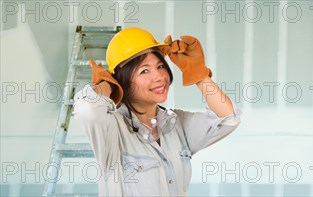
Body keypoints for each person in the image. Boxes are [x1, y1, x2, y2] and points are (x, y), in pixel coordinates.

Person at [73, 27, 241, 196]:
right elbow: (87, 109)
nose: (159, 77)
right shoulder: (112, 128)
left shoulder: (177, 124)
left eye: (160, 66)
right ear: (122, 79)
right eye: (144, 71)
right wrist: (107, 85)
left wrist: (198, 73)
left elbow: (228, 118)